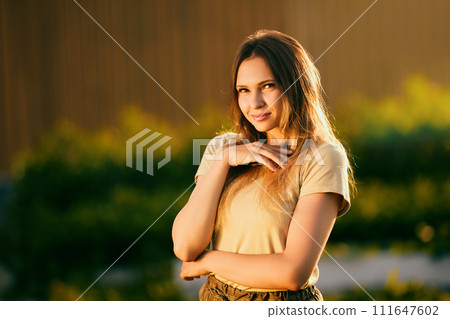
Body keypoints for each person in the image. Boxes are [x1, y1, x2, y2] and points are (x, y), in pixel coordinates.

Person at [171, 30, 355, 301]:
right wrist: (224, 161)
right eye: (244, 90)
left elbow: (293, 272)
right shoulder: (223, 148)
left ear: (296, 85)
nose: (254, 103)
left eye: (267, 86)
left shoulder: (323, 156)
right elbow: (186, 247)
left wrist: (209, 262)